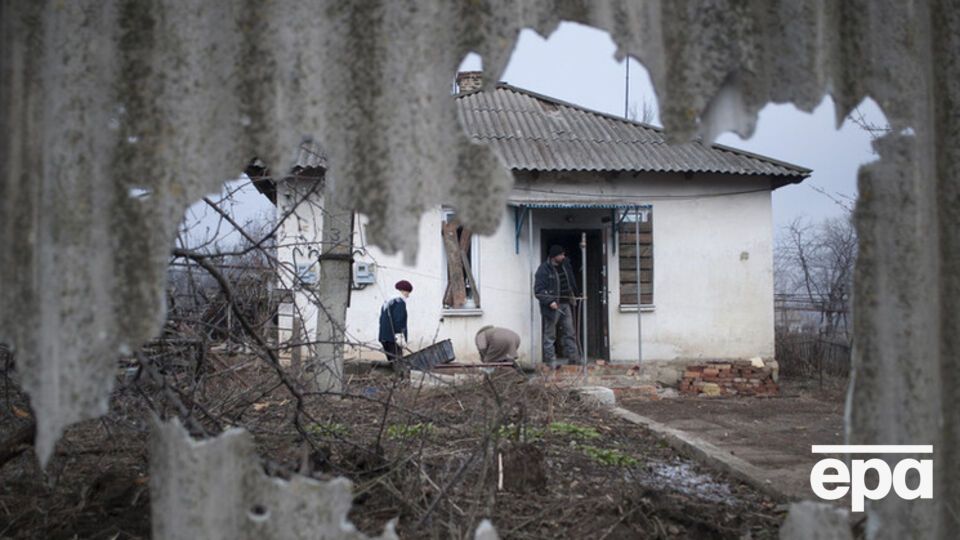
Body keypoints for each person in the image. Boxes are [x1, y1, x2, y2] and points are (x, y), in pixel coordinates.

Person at [534, 245, 581, 368]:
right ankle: (551, 361)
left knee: (570, 332)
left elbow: (571, 281)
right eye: (561, 255)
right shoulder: (543, 269)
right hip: (552, 307)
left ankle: (573, 359)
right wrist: (550, 301)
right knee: (550, 335)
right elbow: (538, 290)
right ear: (554, 256)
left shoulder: (565, 265)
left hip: (565, 304)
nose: (563, 256)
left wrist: (575, 295)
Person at [379, 280, 413, 364]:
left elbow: (381, 320)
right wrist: (400, 336)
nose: (408, 296)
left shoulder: (388, 302)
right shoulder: (399, 302)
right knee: (398, 363)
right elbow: (399, 320)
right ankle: (400, 377)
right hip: (393, 338)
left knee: (392, 362)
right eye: (407, 293)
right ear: (402, 291)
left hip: (384, 337)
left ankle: (395, 376)